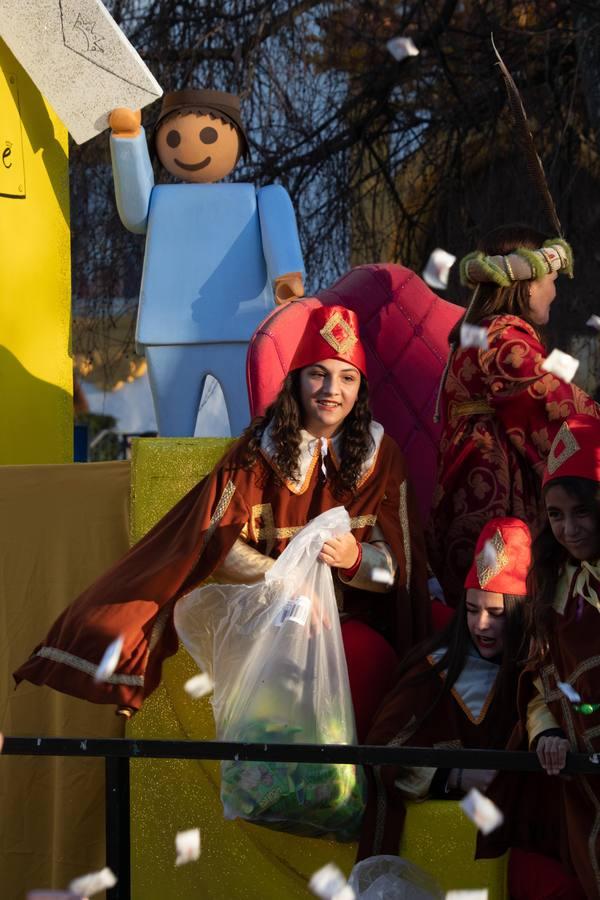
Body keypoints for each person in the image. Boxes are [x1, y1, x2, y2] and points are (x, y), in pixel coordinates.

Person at [14, 305, 430, 740]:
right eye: (318, 375)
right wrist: (287, 582)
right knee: (274, 696)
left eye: (346, 378)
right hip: (271, 620)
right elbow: (217, 545)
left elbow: (398, 571)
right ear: (296, 380)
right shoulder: (257, 453)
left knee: (365, 663)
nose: (331, 390)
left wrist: (355, 559)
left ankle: (352, 781)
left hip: (352, 623)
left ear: (361, 389)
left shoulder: (381, 458)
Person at [109, 89, 305, 436]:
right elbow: (134, 211)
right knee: (174, 430)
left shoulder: (259, 198)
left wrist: (287, 277)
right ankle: (176, 471)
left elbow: (280, 238)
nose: (190, 147)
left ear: (237, 142)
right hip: (169, 329)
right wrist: (128, 139)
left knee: (249, 424)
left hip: (240, 325)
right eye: (173, 138)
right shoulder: (159, 201)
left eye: (209, 135)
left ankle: (249, 466)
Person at [428, 224, 600, 606]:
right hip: (495, 505)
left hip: (467, 499)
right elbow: (558, 408)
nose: (555, 292)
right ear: (529, 284)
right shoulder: (504, 339)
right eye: (552, 281)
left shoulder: (479, 333)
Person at [358, 516, 531, 858]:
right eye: (472, 610)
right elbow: (379, 754)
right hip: (447, 839)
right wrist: (455, 775)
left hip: (525, 835)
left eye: (496, 614)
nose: (481, 625)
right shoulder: (432, 671)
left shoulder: (540, 670)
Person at [481, 414, 600, 899]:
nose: (569, 529)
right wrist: (546, 731)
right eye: (555, 515)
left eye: (582, 512)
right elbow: (539, 678)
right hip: (585, 786)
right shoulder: (550, 585)